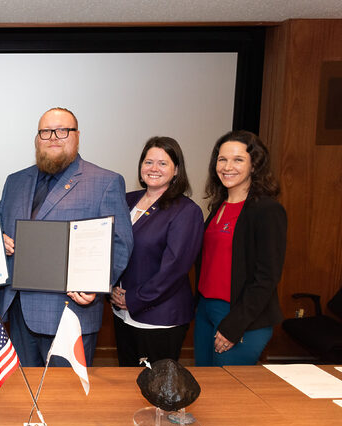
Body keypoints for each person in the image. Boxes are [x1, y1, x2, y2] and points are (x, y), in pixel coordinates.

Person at [0, 107, 133, 367]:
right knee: (25, 398)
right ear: (37, 139)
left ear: (77, 136)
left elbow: (120, 242)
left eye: (62, 130)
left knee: (66, 401)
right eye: (45, 131)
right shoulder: (15, 181)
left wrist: (97, 283)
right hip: (18, 309)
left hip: (69, 311)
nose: (53, 137)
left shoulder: (105, 181)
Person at [194, 130, 287, 366]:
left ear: (254, 165)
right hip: (206, 309)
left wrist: (235, 325)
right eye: (222, 159)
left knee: (225, 394)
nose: (228, 167)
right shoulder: (219, 206)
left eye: (238, 160)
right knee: (203, 387)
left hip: (241, 316)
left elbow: (267, 277)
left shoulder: (267, 210)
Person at [110, 136, 203, 366]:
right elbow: (111, 249)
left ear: (176, 170)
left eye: (163, 163)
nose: (153, 168)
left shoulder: (186, 211)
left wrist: (132, 298)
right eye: (148, 162)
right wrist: (109, 289)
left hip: (159, 318)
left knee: (156, 389)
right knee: (127, 383)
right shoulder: (126, 200)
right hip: (122, 313)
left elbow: (173, 270)